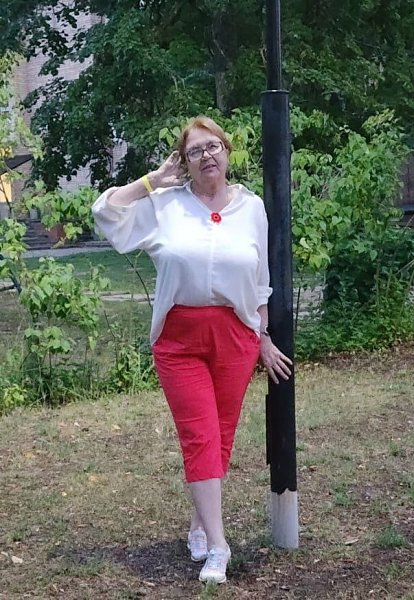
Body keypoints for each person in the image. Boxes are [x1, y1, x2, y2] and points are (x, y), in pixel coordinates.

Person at [92, 116, 292, 584]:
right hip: (179, 340)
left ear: (227, 151)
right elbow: (106, 213)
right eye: (195, 151)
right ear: (184, 161)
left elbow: (260, 281)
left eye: (213, 146)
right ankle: (219, 547)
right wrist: (152, 181)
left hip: (236, 338)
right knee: (199, 435)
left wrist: (262, 337)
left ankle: (201, 522)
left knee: (220, 436)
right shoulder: (166, 204)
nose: (206, 156)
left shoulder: (252, 208)